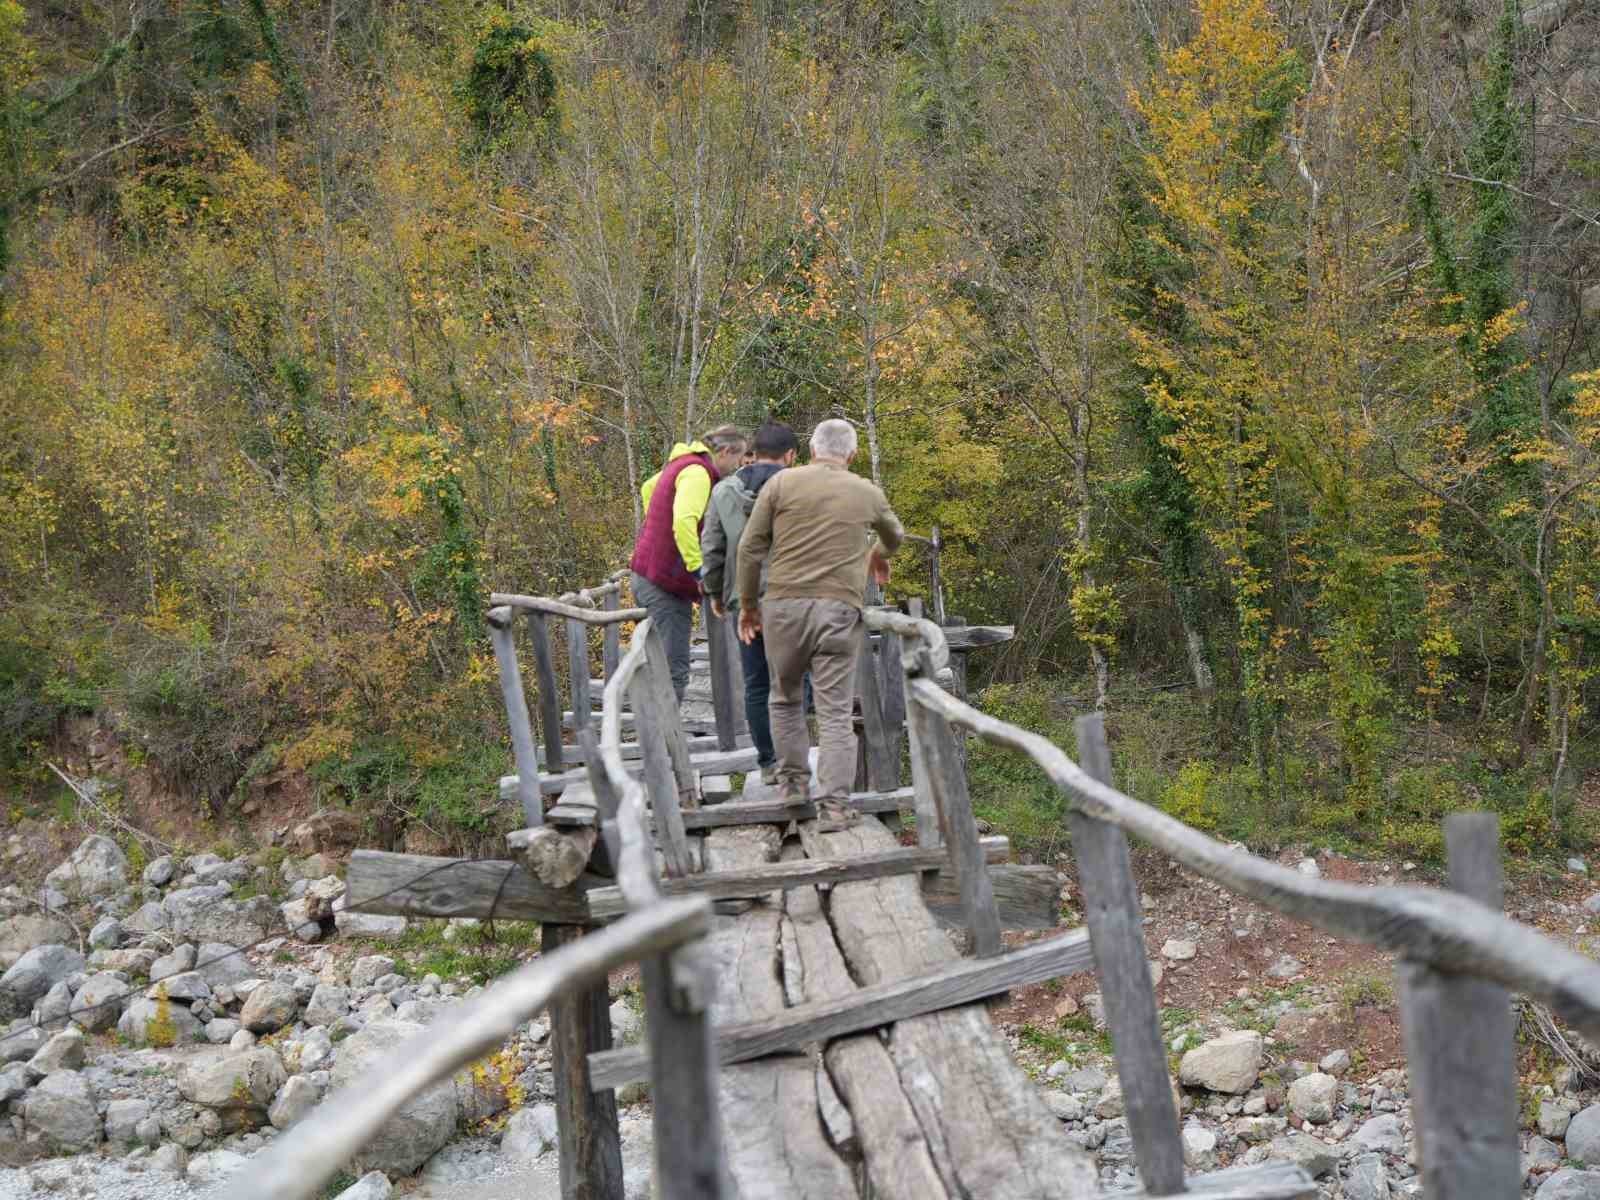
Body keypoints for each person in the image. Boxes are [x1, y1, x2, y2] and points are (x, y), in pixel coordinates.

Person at [735, 418, 903, 830]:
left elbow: (750, 548)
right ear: (852, 454)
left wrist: (747, 607)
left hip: (783, 609)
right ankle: (834, 806)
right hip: (838, 612)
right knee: (834, 712)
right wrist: (877, 554)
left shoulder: (780, 485)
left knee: (785, 697)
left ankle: (792, 786)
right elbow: (896, 535)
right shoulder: (866, 492)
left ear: (811, 450)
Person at [700, 420, 799, 786]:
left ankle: (770, 763)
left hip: (746, 601)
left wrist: (714, 592)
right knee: (793, 681)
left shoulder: (724, 491)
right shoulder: (800, 489)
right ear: (790, 455)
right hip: (793, 600)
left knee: (756, 683)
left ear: (753, 453)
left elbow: (712, 547)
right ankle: (793, 761)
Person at [630, 426, 748, 701]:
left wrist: (654, 530)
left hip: (647, 575)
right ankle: (664, 742)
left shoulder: (683, 463)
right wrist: (699, 571)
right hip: (663, 584)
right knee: (674, 670)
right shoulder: (698, 472)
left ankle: (659, 737)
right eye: (738, 458)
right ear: (726, 451)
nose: (738, 466)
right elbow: (683, 522)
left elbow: (649, 487)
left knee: (661, 663)